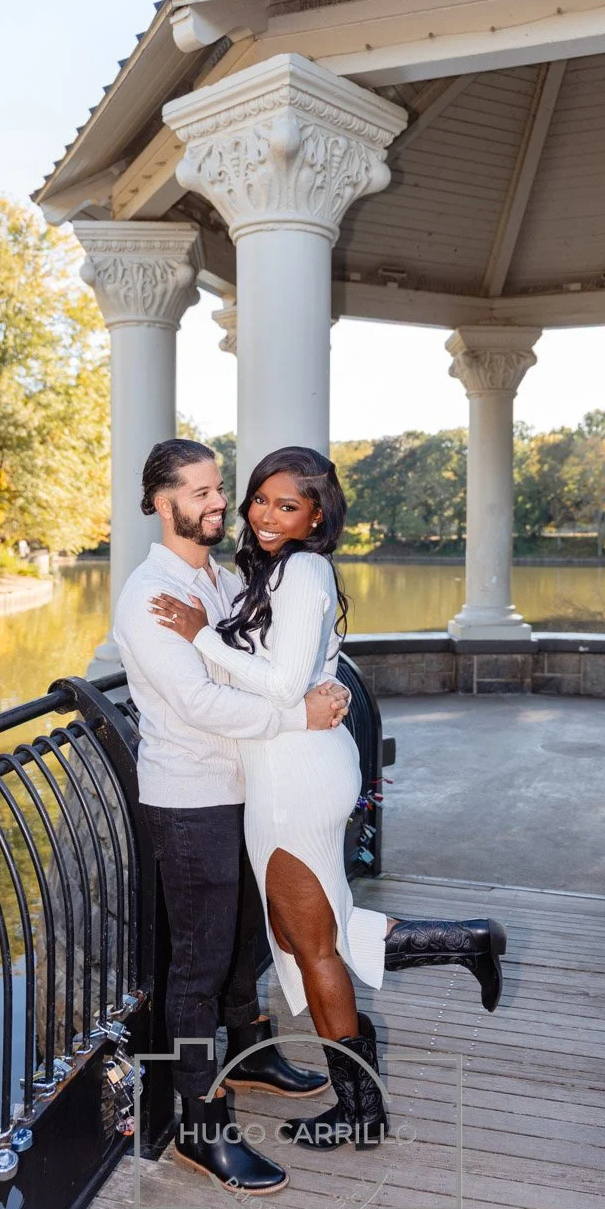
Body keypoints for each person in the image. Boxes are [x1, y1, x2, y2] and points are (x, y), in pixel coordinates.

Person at [151, 445, 508, 1152]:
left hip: (295, 778)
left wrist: (200, 639)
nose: (263, 514)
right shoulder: (278, 572)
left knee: (313, 946)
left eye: (287, 505)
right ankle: (465, 943)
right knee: (303, 934)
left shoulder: (303, 569)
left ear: (317, 516)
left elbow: (282, 687)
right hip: (292, 766)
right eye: (258, 499)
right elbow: (307, 663)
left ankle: (359, 1110)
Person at [113, 438, 352, 1196]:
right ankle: (197, 1125)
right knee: (198, 963)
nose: (221, 504)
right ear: (161, 501)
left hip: (247, 786)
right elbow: (199, 702)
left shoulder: (221, 577)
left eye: (222, 489)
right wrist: (300, 720)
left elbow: (280, 653)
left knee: (245, 940)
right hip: (190, 798)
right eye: (202, 492)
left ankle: (253, 1055)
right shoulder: (147, 595)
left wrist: (322, 686)